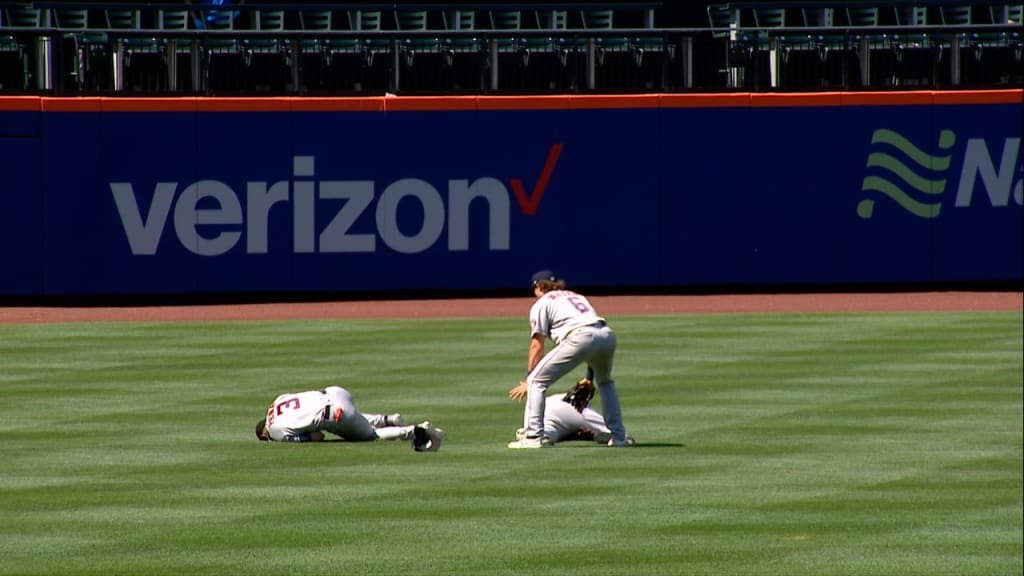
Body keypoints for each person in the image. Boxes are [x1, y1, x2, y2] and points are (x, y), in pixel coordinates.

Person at [506, 270, 629, 448]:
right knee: (605, 383)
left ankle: (533, 437)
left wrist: (528, 377)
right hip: (606, 334)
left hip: (580, 336)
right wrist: (589, 376)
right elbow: (593, 333)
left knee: (536, 381)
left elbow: (537, 345)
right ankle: (618, 437)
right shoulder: (576, 296)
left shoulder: (542, 303)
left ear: (539, 287)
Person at [255, 386, 445, 451]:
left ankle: (415, 431)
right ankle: (388, 418)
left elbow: (318, 437)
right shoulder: (277, 401)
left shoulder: (275, 433)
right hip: (335, 391)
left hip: (336, 413)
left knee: (371, 435)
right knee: (356, 420)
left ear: (265, 434)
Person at [513, 385, 636, 446]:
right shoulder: (585, 406)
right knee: (621, 437)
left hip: (542, 412)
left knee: (545, 437)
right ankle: (613, 436)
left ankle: (530, 434)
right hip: (568, 404)